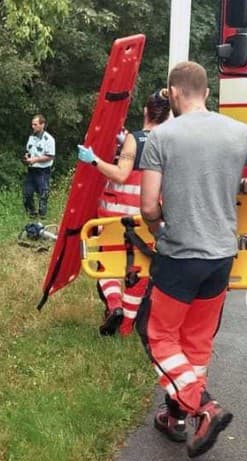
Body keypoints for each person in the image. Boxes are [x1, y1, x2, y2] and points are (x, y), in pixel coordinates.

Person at [138, 61, 247, 458]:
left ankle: (203, 407)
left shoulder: (161, 137)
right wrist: (240, 185)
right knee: (196, 340)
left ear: (172, 93)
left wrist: (158, 232)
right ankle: (176, 417)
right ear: (207, 93)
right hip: (221, 257)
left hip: (179, 256)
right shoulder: (240, 132)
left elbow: (149, 207)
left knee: (156, 334)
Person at [77, 90, 171, 336]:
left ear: (145, 111)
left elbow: (120, 174)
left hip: (118, 212)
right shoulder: (170, 142)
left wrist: (94, 160)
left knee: (107, 262)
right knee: (138, 269)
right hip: (148, 215)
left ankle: (114, 306)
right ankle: (128, 327)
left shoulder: (136, 138)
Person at [22, 114, 55, 219]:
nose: (33, 126)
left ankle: (42, 216)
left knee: (43, 194)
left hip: (43, 170)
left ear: (42, 125)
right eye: (32, 124)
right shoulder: (31, 138)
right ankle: (31, 214)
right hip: (31, 169)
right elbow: (28, 151)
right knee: (27, 193)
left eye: (35, 124)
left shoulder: (49, 139)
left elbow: (50, 156)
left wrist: (35, 159)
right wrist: (26, 157)